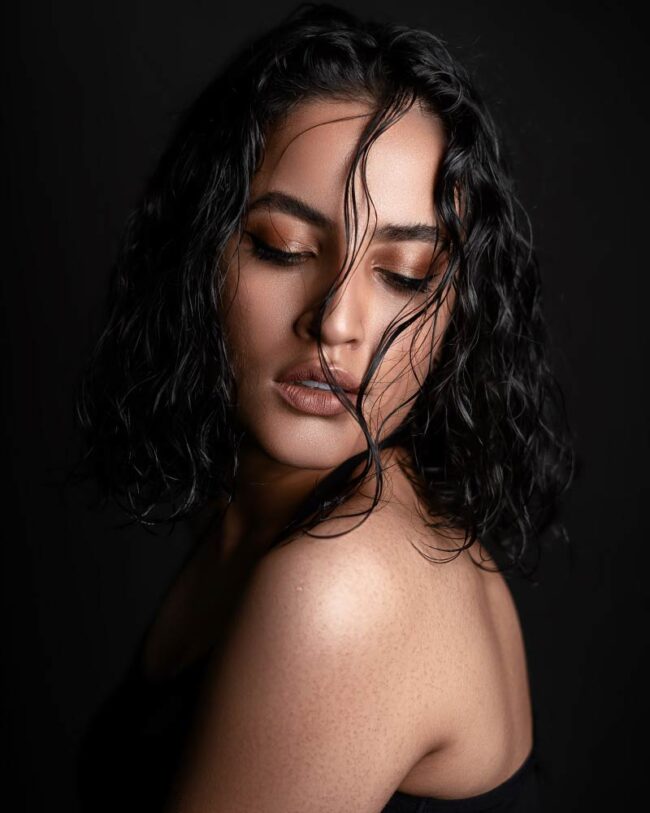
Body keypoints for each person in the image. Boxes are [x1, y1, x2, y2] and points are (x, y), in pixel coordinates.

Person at [72, 3, 574, 811]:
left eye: (405, 274)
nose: (336, 320)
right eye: (284, 249)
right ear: (200, 251)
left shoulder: (343, 583)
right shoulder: (273, 514)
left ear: (459, 313)